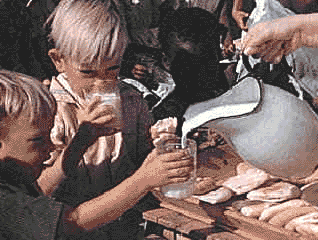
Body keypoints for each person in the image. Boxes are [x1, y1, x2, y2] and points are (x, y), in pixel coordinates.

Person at [33, 0, 193, 238]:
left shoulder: (130, 100)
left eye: (112, 68)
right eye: (87, 72)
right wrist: (79, 143)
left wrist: (158, 144)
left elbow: (140, 161)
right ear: (59, 60)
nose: (102, 82)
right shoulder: (47, 112)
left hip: (126, 228)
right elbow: (35, 194)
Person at [0, 69, 193, 238]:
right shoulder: (4, 202)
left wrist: (80, 143)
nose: (50, 147)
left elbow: (41, 190)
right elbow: (71, 224)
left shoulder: (13, 177)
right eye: (37, 140)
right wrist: (143, 180)